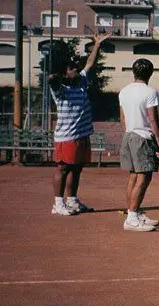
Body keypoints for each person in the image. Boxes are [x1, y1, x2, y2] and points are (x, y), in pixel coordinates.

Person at [47, 32, 111, 216]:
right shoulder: (60, 89)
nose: (76, 69)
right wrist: (54, 76)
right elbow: (52, 80)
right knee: (63, 168)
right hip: (66, 136)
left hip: (82, 134)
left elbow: (90, 63)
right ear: (65, 72)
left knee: (77, 168)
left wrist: (97, 44)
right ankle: (58, 204)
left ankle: (72, 201)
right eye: (72, 68)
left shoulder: (81, 81)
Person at [117, 58, 159, 232]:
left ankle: (134, 214)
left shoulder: (124, 91)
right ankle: (132, 217)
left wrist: (129, 135)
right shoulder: (150, 92)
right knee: (144, 177)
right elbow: (153, 119)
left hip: (128, 136)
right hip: (143, 138)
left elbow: (122, 118)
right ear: (150, 73)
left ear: (133, 72)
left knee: (133, 176)